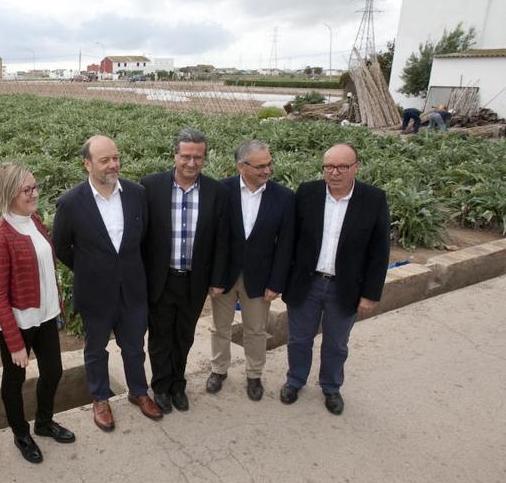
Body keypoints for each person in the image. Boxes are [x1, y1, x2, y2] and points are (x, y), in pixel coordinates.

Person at [52, 135, 163, 432]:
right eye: (105, 160)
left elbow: (144, 239)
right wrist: (91, 269)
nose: (113, 164)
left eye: (115, 157)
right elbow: (61, 247)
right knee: (96, 348)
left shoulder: (136, 194)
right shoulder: (71, 203)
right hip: (95, 292)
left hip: (133, 288)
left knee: (134, 346)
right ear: (87, 164)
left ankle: (139, 392)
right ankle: (100, 398)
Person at [280, 143, 390, 415]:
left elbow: (379, 252)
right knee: (298, 338)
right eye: (329, 166)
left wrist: (370, 293)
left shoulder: (373, 199)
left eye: (343, 166)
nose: (335, 172)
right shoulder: (307, 193)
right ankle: (295, 380)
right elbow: (289, 240)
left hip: (345, 286)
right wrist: (282, 280)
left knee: (336, 342)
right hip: (307, 283)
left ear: (356, 167)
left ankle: (331, 386)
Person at [0, 163, 76, 464]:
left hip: (46, 315)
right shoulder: (0, 235)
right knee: (15, 380)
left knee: (53, 371)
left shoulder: (34, 220)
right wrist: (14, 342)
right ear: (10, 193)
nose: (35, 193)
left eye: (35, 187)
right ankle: (21, 433)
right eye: (27, 189)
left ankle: (45, 422)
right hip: (19, 323)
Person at [140, 128, 230, 413]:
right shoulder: (151, 187)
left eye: (198, 158)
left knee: (184, 336)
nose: (192, 163)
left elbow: (222, 240)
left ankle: (178, 385)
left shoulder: (216, 192)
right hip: (161, 279)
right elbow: (141, 236)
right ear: (175, 155)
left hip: (195, 281)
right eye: (186, 156)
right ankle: (161, 387)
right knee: (159, 336)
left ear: (205, 158)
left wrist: (217, 280)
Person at [209, 140, 294, 401]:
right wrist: (213, 277)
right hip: (224, 277)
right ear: (241, 166)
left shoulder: (283, 197)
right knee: (219, 327)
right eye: (260, 166)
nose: (267, 170)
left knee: (255, 329)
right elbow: (213, 238)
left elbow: (286, 245)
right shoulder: (222, 190)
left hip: (260, 277)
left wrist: (277, 282)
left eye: (269, 164)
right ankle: (218, 369)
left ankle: (254, 374)